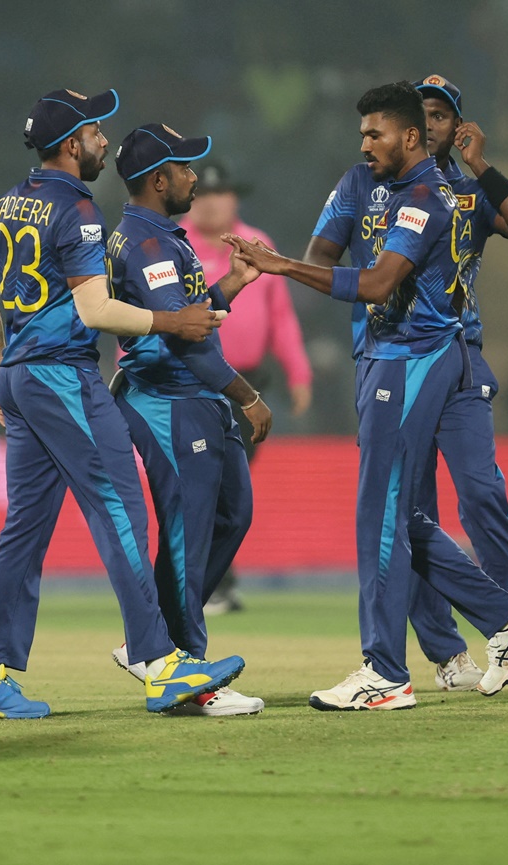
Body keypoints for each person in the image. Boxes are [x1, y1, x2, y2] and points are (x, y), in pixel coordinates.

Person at [228, 81, 508, 710]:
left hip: (411, 360)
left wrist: (281, 265)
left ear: (413, 136)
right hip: (391, 356)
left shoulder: (430, 195)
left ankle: (385, 672)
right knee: (399, 515)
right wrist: (303, 262)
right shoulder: (371, 186)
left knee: (391, 511)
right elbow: (335, 256)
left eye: (376, 133)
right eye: (363, 134)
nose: (364, 143)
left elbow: (376, 283)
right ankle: (506, 621)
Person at [0, 88, 244, 720]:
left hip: (22, 378)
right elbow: (94, 310)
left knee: (23, 529)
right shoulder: (77, 209)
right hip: (62, 377)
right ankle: (161, 664)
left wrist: (2, 372)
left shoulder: (9, 203)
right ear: (72, 143)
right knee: (123, 513)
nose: (104, 140)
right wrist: (172, 322)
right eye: (95, 131)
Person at [105, 124, 270, 716]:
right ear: (158, 180)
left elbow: (189, 319)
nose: (195, 178)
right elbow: (187, 343)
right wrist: (248, 397)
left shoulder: (161, 238)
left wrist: (232, 283)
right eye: (185, 169)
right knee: (187, 534)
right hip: (169, 402)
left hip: (197, 400)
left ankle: (152, 644)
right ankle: (187, 675)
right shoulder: (147, 247)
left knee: (231, 513)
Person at [180, 162, 313, 615]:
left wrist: (298, 372)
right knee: (204, 485)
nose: (213, 201)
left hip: (247, 386)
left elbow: (281, 316)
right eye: (204, 194)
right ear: (189, 199)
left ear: (235, 198)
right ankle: (206, 583)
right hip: (190, 381)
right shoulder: (173, 244)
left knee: (229, 489)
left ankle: (215, 580)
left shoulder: (258, 245)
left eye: (222, 193)